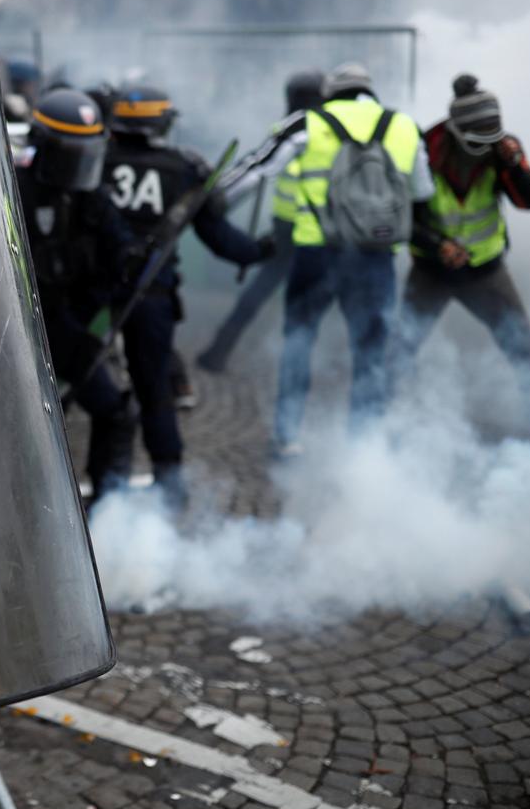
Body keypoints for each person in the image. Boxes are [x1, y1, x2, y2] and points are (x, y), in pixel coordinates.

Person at [100, 85, 271, 498]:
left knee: (84, 389)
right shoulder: (183, 169)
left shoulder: (95, 160)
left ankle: (98, 479)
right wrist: (258, 250)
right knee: (154, 389)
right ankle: (169, 481)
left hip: (92, 295)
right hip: (151, 300)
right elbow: (218, 235)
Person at [271, 62, 434, 456]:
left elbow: (268, 172)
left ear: (331, 93)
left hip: (316, 251)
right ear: (369, 90)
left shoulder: (309, 124)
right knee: (371, 351)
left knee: (299, 340)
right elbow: (422, 192)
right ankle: (364, 443)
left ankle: (288, 436)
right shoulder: (403, 126)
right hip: (375, 255)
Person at [393, 74, 530, 441]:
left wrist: (514, 164)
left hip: (487, 272)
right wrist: (438, 246)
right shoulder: (423, 151)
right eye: (476, 142)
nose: (484, 149)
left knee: (525, 352)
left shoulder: (503, 150)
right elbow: (400, 216)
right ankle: (380, 433)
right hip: (431, 273)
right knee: (399, 353)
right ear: (455, 132)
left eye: (490, 141)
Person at [15, 88, 136, 498]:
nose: (79, 168)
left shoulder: (92, 199)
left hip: (70, 328)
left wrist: (90, 321)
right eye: (71, 155)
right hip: (20, 329)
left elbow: (117, 256)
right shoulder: (12, 191)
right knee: (31, 425)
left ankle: (108, 503)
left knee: (116, 412)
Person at [197, 68, 325, 373]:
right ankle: (299, 365)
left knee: (255, 297)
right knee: (314, 300)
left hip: (286, 230)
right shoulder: (326, 130)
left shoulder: (293, 128)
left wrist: (218, 199)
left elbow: (256, 168)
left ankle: (219, 351)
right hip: (317, 232)